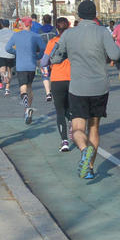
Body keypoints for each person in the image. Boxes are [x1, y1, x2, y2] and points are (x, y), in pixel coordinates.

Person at [50, 0, 120, 180]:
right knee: (94, 127)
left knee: (77, 128)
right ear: (95, 14)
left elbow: (55, 58)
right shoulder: (103, 32)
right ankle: (89, 167)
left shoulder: (69, 34)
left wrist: (65, 54)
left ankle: (84, 150)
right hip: (99, 87)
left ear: (79, 15)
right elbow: (115, 55)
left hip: (78, 87)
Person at [6, 17, 45, 125]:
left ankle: (27, 108)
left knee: (23, 88)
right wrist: (38, 56)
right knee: (29, 87)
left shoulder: (16, 35)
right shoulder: (36, 36)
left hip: (21, 65)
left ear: (22, 25)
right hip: (31, 65)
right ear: (31, 25)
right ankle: (28, 109)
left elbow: (7, 48)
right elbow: (43, 48)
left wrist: (16, 52)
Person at [42, 17, 73, 152]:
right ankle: (75, 126)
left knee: (60, 110)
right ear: (69, 26)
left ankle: (64, 141)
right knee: (73, 108)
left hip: (57, 79)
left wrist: (49, 64)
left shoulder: (53, 42)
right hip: (73, 78)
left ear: (56, 29)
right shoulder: (74, 42)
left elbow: (43, 62)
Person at [0, 19, 15, 95]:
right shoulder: (13, 33)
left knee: (2, 69)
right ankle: (7, 89)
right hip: (10, 54)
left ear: (2, 25)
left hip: (1, 53)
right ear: (9, 25)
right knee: (9, 70)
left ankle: (4, 77)